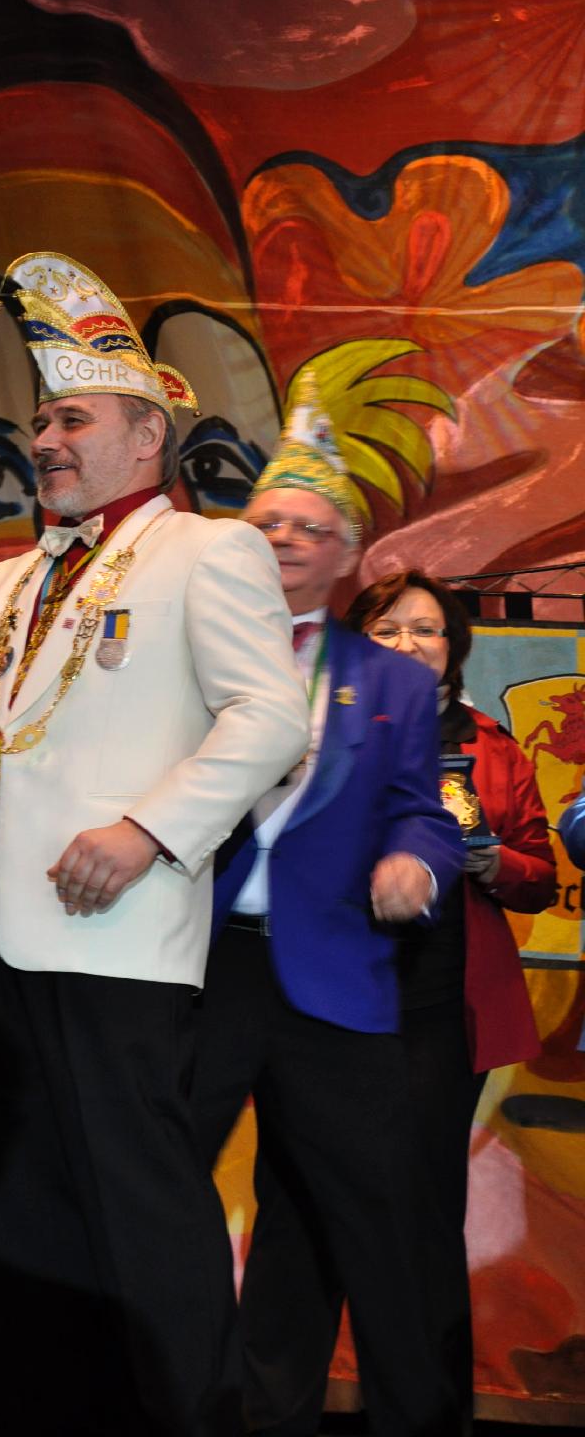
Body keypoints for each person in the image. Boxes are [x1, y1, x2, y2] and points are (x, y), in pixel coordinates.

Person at [0, 251, 310, 1437]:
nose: (45, 440)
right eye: (39, 421)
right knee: (20, 1233)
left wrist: (147, 830)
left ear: (147, 436)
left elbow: (272, 718)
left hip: (115, 935)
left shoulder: (207, 552)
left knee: (144, 1223)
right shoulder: (3, 581)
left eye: (71, 419)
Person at [191, 380, 466, 1437]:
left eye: (311, 527)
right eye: (269, 523)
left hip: (336, 982)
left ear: (348, 551)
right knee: (155, 1199)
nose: (288, 541)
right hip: (199, 966)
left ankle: (415, 1422)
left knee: (378, 1227)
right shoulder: (188, 647)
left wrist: (415, 864)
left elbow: (424, 813)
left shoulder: (391, 682)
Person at [334, 570, 553, 1431]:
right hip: (335, 1000)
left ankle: (431, 1413)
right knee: (325, 1206)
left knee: (427, 1209)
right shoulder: (320, 731)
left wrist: (498, 864)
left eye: (426, 630)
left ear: (453, 648)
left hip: (445, 1007)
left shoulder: (492, 746)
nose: (409, 644)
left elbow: (540, 873)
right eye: (388, 628)